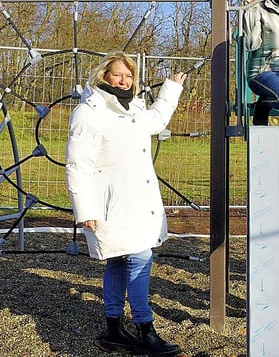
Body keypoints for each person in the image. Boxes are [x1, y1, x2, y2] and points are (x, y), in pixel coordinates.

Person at [65, 52, 187, 356]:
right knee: (140, 258)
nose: (124, 80)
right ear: (104, 76)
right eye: (118, 75)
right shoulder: (89, 112)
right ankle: (145, 329)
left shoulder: (131, 108)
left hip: (132, 202)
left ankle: (114, 329)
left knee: (119, 260)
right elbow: (77, 164)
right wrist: (85, 209)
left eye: (129, 76)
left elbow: (156, 121)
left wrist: (171, 89)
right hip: (109, 204)